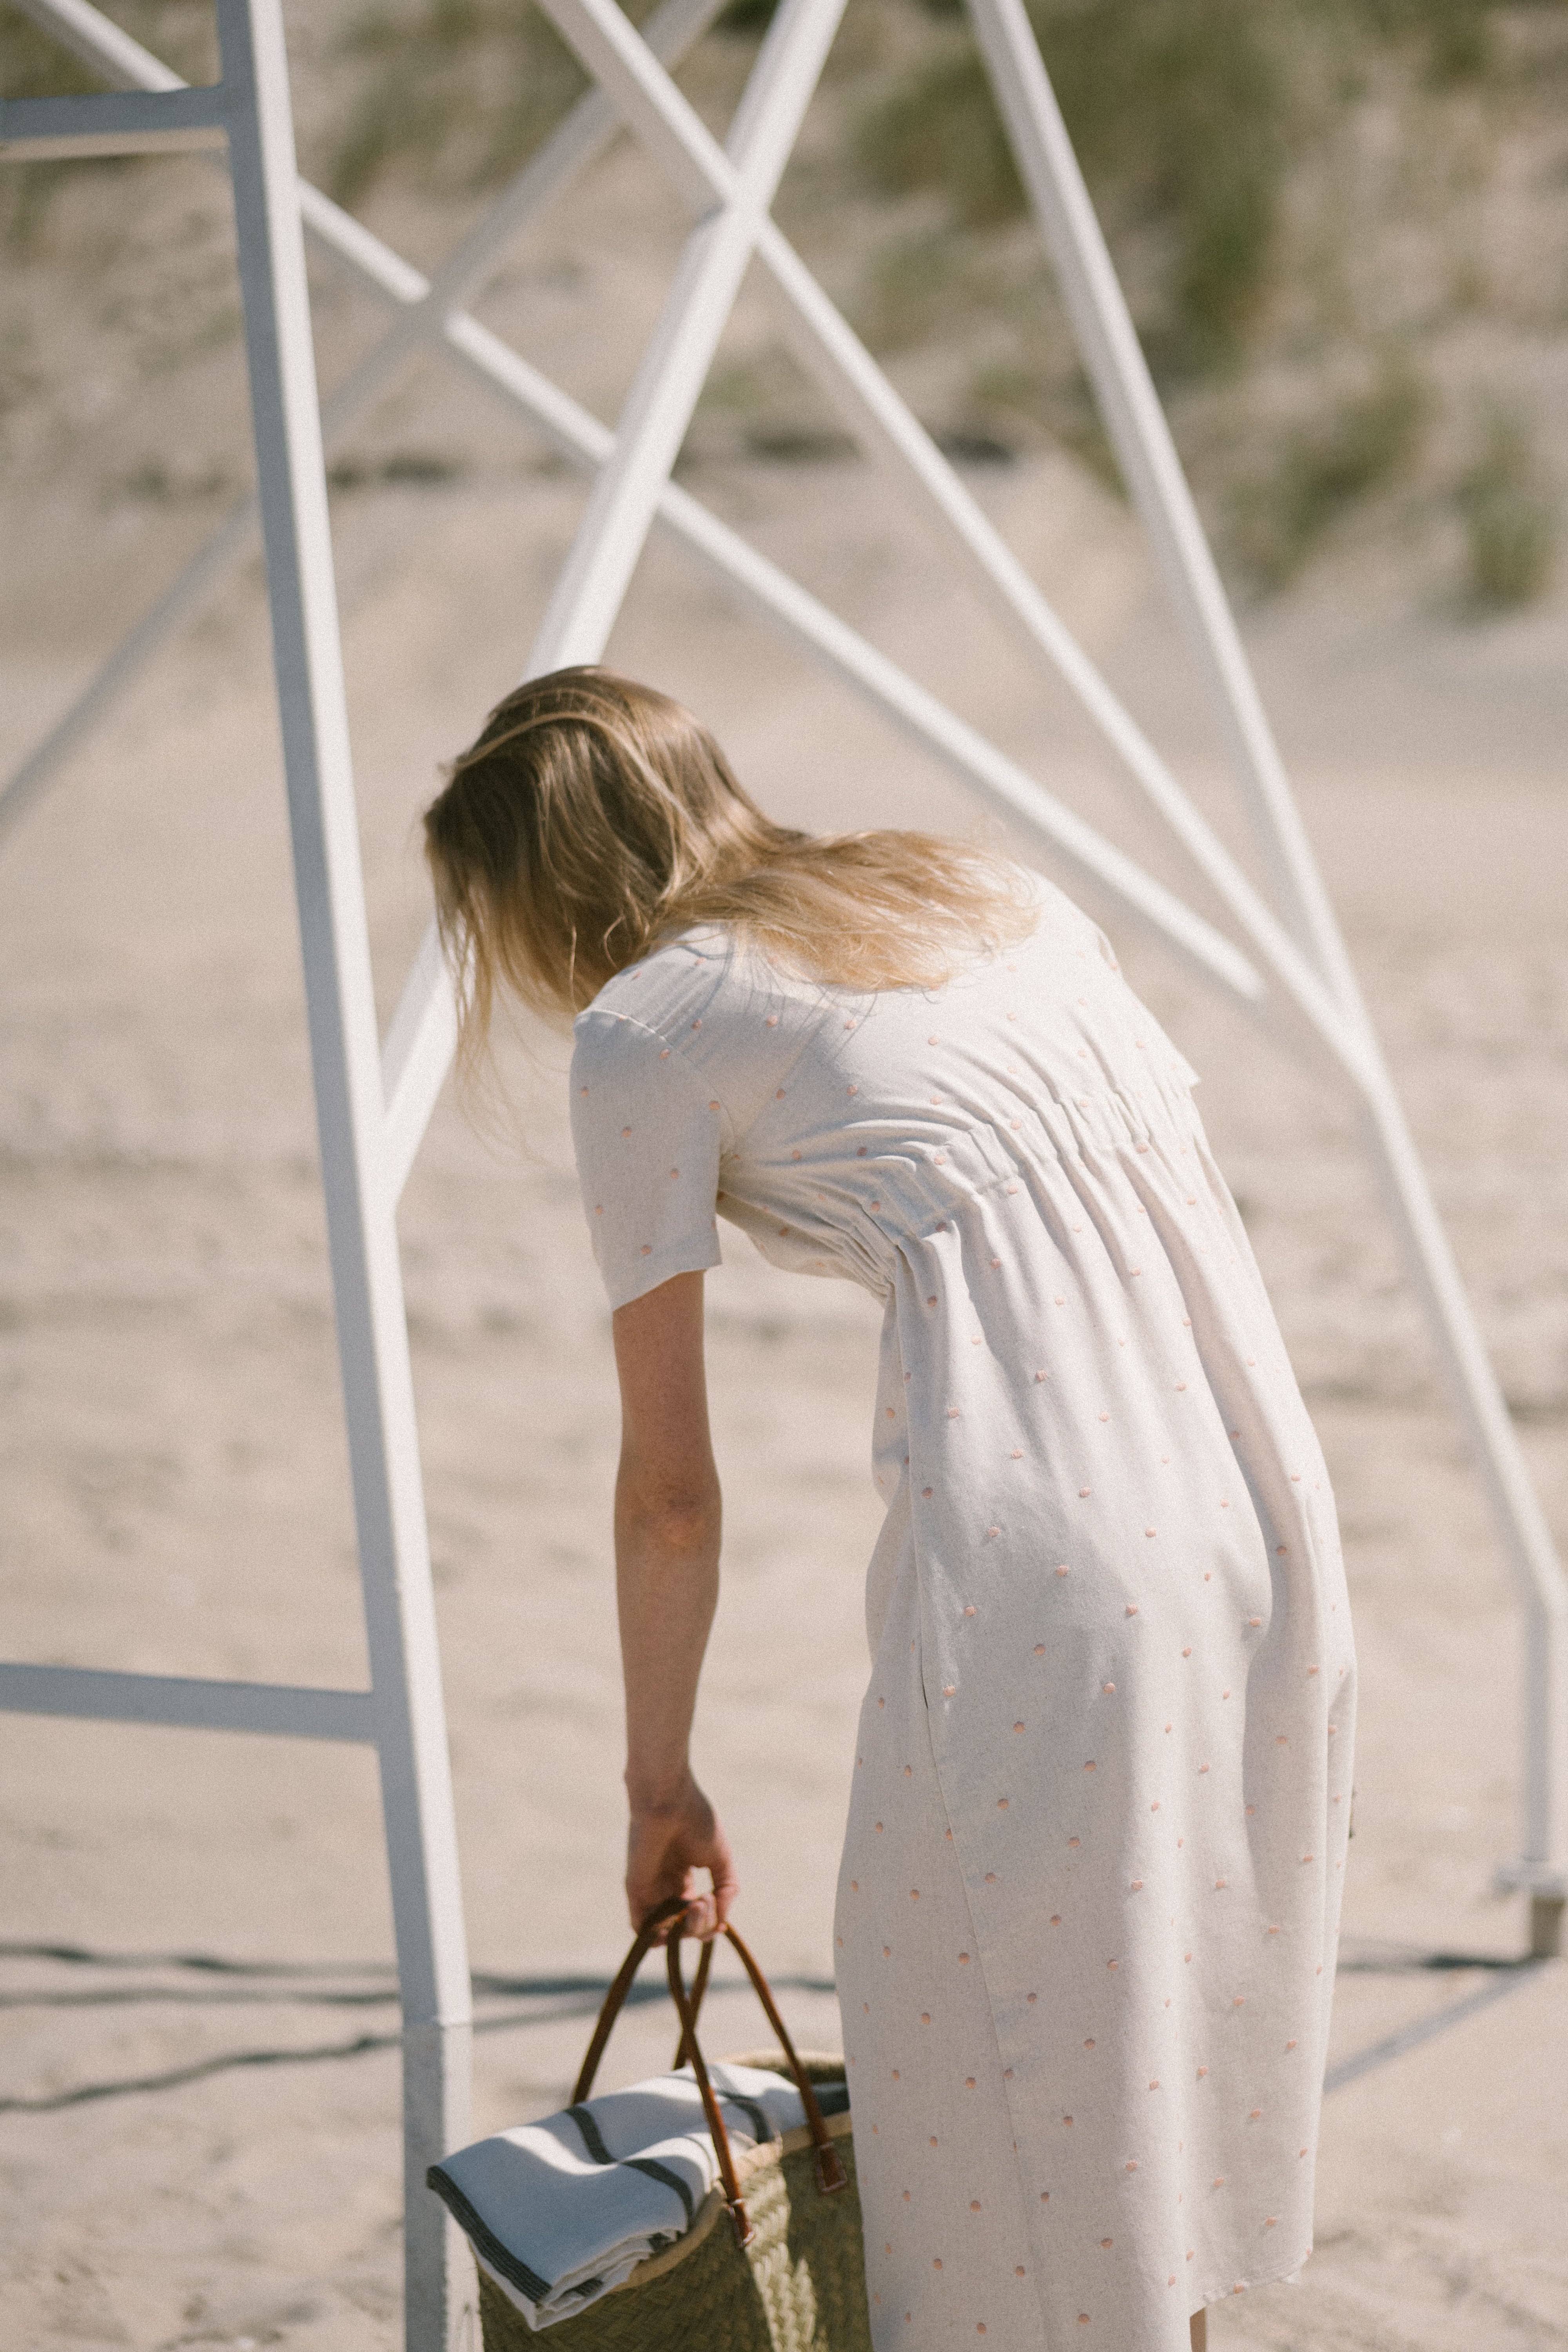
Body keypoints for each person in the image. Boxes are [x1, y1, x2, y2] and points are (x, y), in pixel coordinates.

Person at [423, 665, 1356, 2352]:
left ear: (537, 892)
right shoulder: (980, 890)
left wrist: (659, 1786)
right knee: (1147, 2081)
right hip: (1256, 1505)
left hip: (1051, 1563)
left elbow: (670, 1496)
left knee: (990, 2099)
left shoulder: (650, 1026)